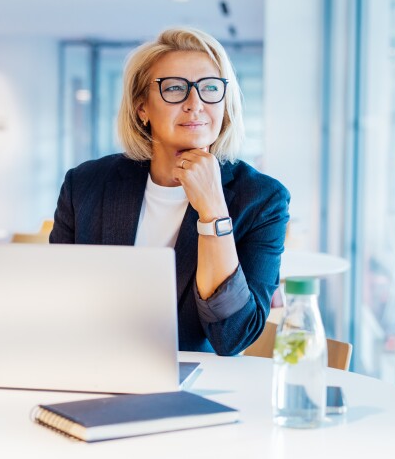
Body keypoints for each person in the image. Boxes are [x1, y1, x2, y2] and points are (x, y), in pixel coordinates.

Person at [50, 27, 289, 356]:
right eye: (175, 89)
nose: (196, 104)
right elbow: (56, 300)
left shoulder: (262, 200)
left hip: (198, 384)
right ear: (142, 109)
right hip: (93, 368)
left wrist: (213, 212)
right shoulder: (86, 184)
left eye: (209, 89)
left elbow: (233, 336)